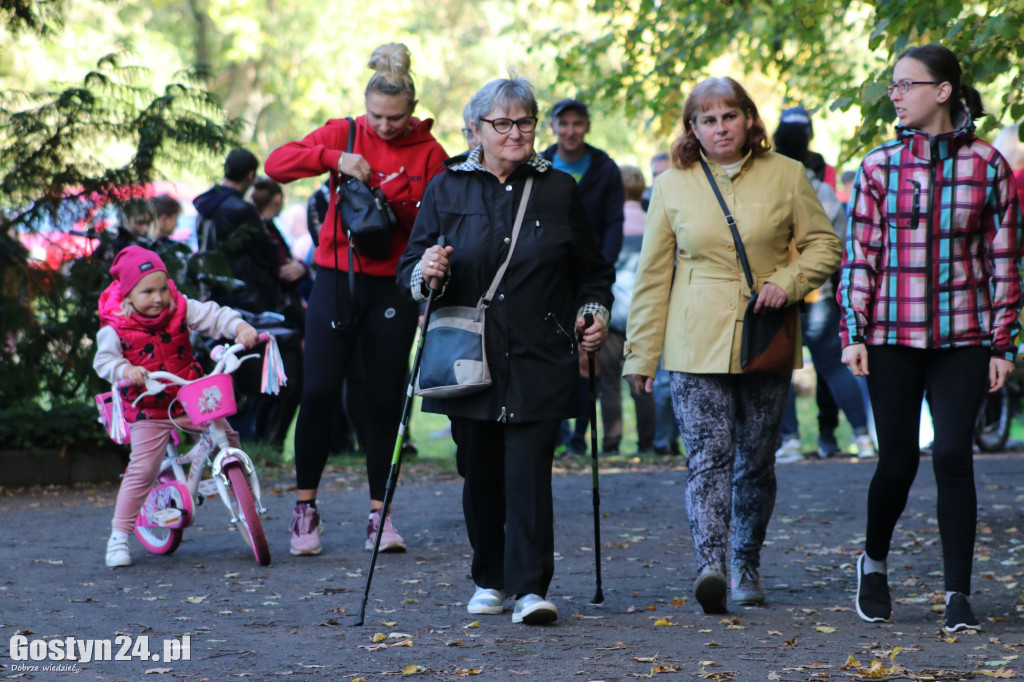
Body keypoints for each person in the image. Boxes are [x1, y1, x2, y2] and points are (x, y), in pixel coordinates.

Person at [398, 75, 614, 625]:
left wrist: (594, 314)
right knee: (480, 470)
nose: (516, 133)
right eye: (502, 123)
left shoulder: (560, 189)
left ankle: (529, 589)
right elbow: (410, 271)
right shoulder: (447, 187)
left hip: (541, 351)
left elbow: (592, 273)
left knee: (528, 470)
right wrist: (426, 271)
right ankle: (489, 577)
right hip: (467, 352)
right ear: (475, 130)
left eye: (524, 122)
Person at [623, 76, 841, 614]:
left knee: (756, 461)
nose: (720, 128)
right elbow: (652, 276)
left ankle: (746, 561)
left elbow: (825, 245)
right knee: (707, 457)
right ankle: (711, 566)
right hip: (694, 339)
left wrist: (787, 282)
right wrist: (640, 353)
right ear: (692, 128)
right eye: (708, 119)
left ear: (749, 119)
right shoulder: (673, 183)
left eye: (730, 116)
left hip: (765, 334)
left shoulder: (788, 175)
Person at [839, 44, 1023, 633]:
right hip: (891, 336)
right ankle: (873, 563)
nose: (894, 94)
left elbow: (1005, 262)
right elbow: (860, 259)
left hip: (965, 337)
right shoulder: (877, 167)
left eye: (904, 84)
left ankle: (957, 595)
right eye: (892, 85)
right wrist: (854, 331)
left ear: (942, 91)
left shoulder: (988, 166)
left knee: (951, 456)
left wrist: (1003, 344)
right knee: (896, 461)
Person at [265, 42, 448, 557]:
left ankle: (379, 515)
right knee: (319, 390)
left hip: (392, 284)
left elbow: (435, 223)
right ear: (364, 108)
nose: (385, 126)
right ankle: (305, 511)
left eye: (395, 117)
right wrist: (334, 158)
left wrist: (394, 206)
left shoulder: (428, 152)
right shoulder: (344, 132)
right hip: (335, 276)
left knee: (383, 399)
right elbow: (276, 164)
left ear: (412, 111)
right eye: (377, 116)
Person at [93, 245, 258, 567]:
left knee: (228, 439)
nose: (158, 298)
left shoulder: (180, 307)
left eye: (162, 289)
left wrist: (239, 327)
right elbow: (104, 361)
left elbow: (212, 315)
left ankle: (247, 506)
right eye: (147, 291)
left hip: (189, 397)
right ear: (128, 295)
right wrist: (126, 370)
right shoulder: (115, 326)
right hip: (148, 406)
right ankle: (119, 536)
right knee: (143, 469)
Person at [771, 106, 874, 462]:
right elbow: (840, 245)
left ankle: (790, 441)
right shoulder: (823, 191)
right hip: (817, 292)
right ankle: (862, 437)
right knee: (832, 364)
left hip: (776, 291)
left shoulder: (765, 184)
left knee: (777, 368)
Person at [541, 97, 623, 455]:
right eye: (564, 124)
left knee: (587, 355)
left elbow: (613, 224)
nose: (570, 131)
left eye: (577, 123)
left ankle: (581, 434)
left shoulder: (605, 168)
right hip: (549, 275)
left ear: (586, 126)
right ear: (553, 127)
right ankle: (554, 428)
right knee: (550, 350)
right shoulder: (539, 163)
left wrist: (600, 271)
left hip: (588, 274)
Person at [601, 165, 655, 454]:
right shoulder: (652, 223)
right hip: (642, 317)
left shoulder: (610, 226)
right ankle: (647, 441)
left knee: (608, 383)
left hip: (611, 315)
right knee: (642, 381)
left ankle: (611, 442)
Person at [193, 148, 282, 316]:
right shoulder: (242, 209)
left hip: (212, 291)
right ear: (250, 176)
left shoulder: (203, 204)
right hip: (243, 297)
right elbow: (267, 255)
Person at [643, 152, 681, 456]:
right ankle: (663, 441)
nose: (660, 181)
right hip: (662, 300)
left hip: (691, 298)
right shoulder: (647, 208)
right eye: (655, 174)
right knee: (664, 378)